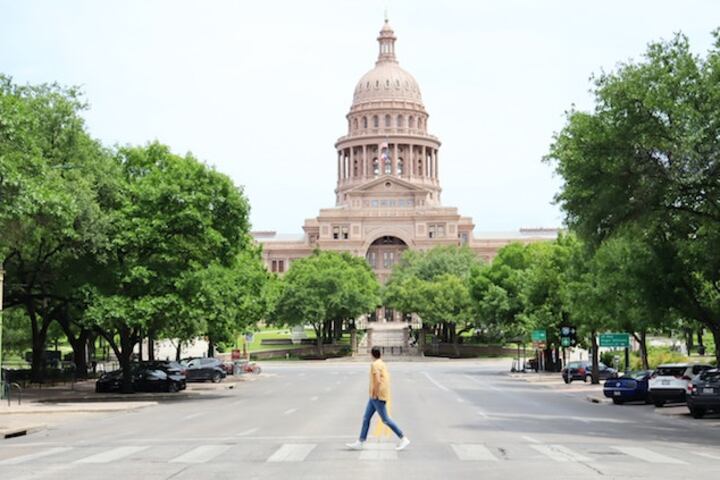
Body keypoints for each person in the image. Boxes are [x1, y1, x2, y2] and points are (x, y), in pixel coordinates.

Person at [346, 347, 410, 451]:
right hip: (376, 396)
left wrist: (375, 394)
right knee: (366, 418)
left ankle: (403, 438)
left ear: (372, 354)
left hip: (377, 396)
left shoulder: (374, 365)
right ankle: (360, 441)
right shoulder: (382, 363)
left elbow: (377, 381)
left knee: (385, 419)